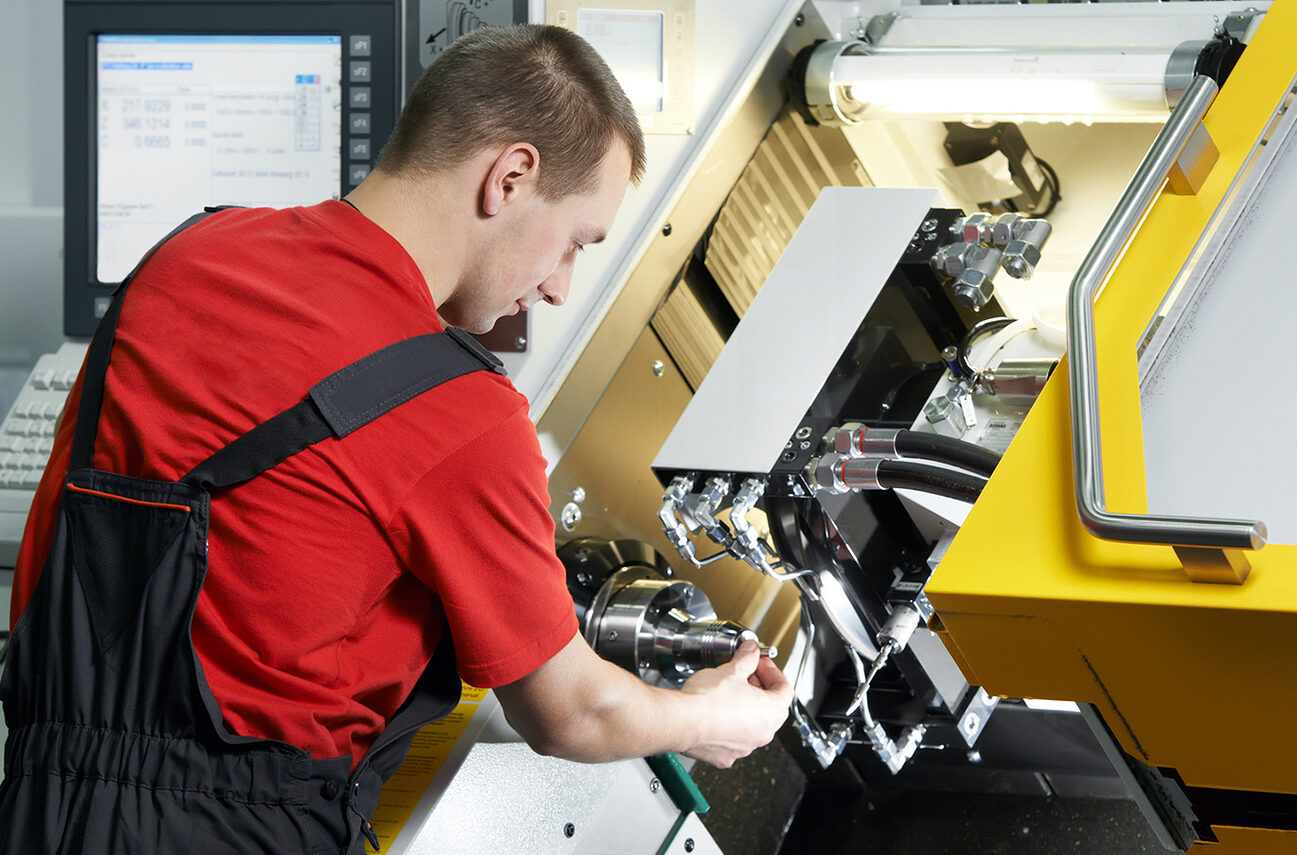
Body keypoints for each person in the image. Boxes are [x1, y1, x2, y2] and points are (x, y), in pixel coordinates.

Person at [0, 24, 791, 854]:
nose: (559, 285)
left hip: (35, 807)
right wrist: (707, 715)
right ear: (510, 176)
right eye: (574, 242)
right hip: (237, 831)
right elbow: (573, 711)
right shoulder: (459, 407)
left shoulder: (181, 258)